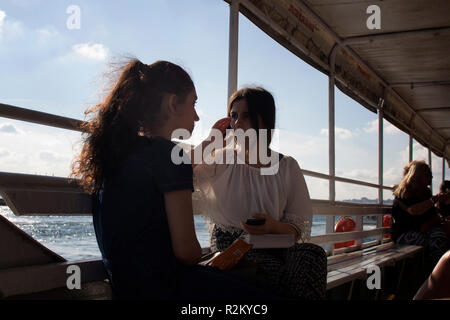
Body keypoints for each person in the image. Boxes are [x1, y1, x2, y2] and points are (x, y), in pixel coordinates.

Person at [71, 59, 278, 300]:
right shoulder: (170, 155)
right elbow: (188, 253)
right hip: (168, 289)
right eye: (193, 103)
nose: (198, 117)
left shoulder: (114, 156)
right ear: (172, 103)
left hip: (127, 288)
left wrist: (210, 143)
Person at [192, 87, 327, 300]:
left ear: (264, 120)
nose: (236, 123)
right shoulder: (221, 159)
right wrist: (210, 142)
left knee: (314, 255)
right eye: (233, 116)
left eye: (246, 116)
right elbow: (180, 170)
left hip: (273, 242)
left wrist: (272, 226)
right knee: (276, 274)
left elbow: (297, 228)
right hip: (232, 243)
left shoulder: (287, 166)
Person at [391, 160, 450, 269]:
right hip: (405, 233)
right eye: (427, 174)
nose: (431, 177)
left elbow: (432, 215)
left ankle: (439, 272)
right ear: (417, 175)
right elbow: (414, 211)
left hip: (424, 229)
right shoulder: (404, 192)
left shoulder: (425, 192)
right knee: (437, 241)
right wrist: (435, 200)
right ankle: (436, 274)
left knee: (440, 235)